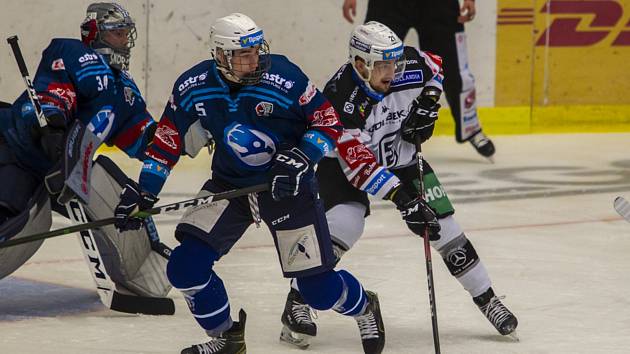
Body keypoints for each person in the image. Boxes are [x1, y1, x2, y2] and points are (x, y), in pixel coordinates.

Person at [114, 13, 388, 354]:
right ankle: (228, 337)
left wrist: (301, 158)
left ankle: (364, 306)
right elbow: (167, 142)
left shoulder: (284, 76)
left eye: (257, 50)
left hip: (289, 188)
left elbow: (327, 122)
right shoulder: (193, 86)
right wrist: (144, 191)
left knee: (317, 289)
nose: (254, 59)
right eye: (244, 55)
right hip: (231, 186)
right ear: (220, 55)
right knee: (185, 267)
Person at [278, 21, 518, 349]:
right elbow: (361, 167)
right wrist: (404, 199)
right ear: (360, 64)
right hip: (342, 167)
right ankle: (297, 300)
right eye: (382, 65)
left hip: (402, 157)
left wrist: (428, 104)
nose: (391, 72)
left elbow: (437, 65)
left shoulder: (406, 65)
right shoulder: (340, 100)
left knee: (444, 227)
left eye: (393, 62)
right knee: (344, 226)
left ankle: (487, 298)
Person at [0, 2, 172, 309]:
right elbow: (52, 94)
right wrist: (52, 125)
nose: (125, 40)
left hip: (67, 167)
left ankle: (142, 269)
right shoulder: (74, 54)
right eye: (118, 33)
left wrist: (176, 136)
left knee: (117, 199)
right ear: (95, 33)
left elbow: (141, 136)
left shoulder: (125, 91)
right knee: (9, 214)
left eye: (125, 33)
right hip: (18, 152)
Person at [342, 0, 496, 161]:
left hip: (439, 5)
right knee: (371, 65)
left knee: (455, 68)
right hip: (388, 4)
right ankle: (357, 130)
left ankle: (470, 126)